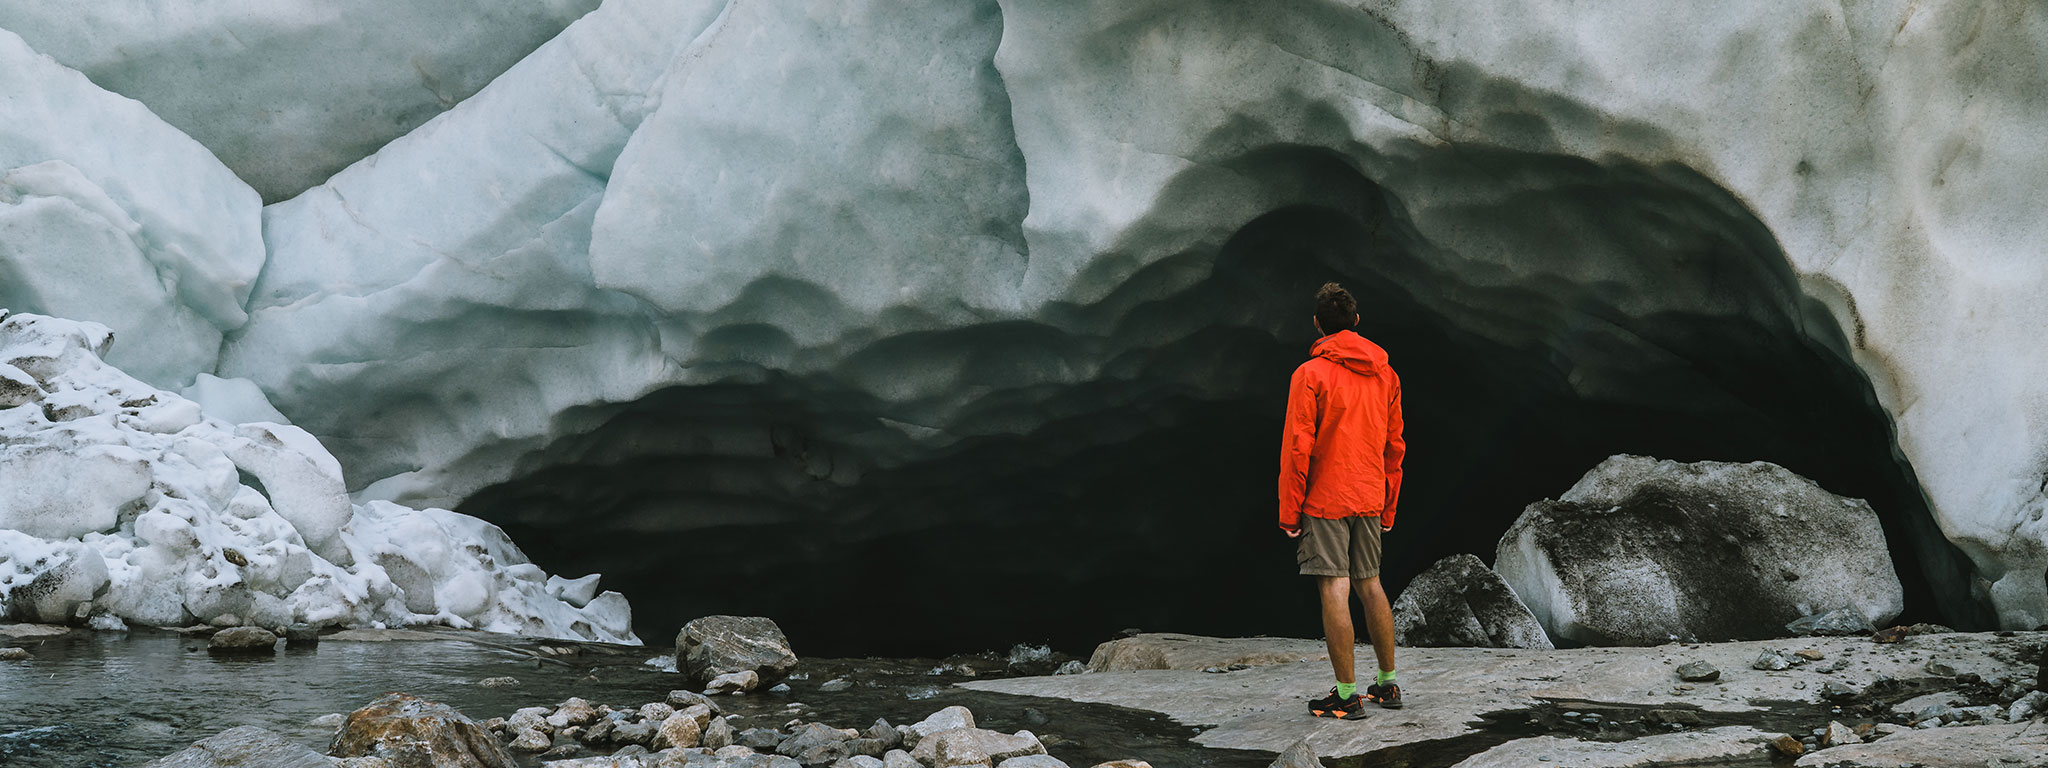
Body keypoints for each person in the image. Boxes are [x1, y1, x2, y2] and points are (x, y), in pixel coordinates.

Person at [1278, 282, 1406, 719]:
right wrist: (1388, 504)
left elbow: (1298, 448)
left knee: (1335, 586)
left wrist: (1289, 511)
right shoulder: (1386, 374)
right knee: (1371, 583)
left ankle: (1347, 696)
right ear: (1355, 322)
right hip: (1370, 495)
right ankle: (1388, 686)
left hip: (1326, 499)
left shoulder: (1309, 375)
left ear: (1318, 325)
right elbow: (1395, 447)